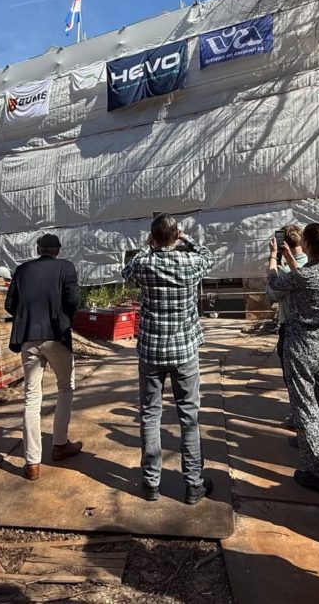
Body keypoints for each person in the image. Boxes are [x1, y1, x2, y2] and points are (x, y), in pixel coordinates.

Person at [123, 214, 216, 504]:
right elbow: (208, 257)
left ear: (153, 237)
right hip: (184, 351)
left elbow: (127, 272)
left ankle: (151, 483)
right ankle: (193, 485)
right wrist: (185, 238)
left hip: (151, 350)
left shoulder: (145, 263)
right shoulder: (190, 264)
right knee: (189, 418)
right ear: (175, 235)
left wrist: (149, 246)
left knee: (150, 415)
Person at [267, 224, 319, 495]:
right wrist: (292, 262)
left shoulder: (302, 277)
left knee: (305, 408)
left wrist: (272, 259)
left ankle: (317, 470)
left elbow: (275, 284)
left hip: (301, 343)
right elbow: (304, 279)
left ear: (309, 244)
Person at [5, 234, 83, 481]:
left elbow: (10, 304)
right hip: (57, 335)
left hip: (28, 337)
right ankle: (59, 445)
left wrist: (28, 315)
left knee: (31, 396)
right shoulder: (65, 267)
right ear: (58, 250)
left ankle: (32, 462)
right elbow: (73, 300)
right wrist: (64, 319)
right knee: (65, 388)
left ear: (38, 249)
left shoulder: (22, 270)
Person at [263, 224, 306, 430]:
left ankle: (303, 423)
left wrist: (273, 259)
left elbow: (272, 293)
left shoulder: (288, 272)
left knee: (294, 380)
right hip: (317, 331)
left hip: (291, 329)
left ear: (283, 244)